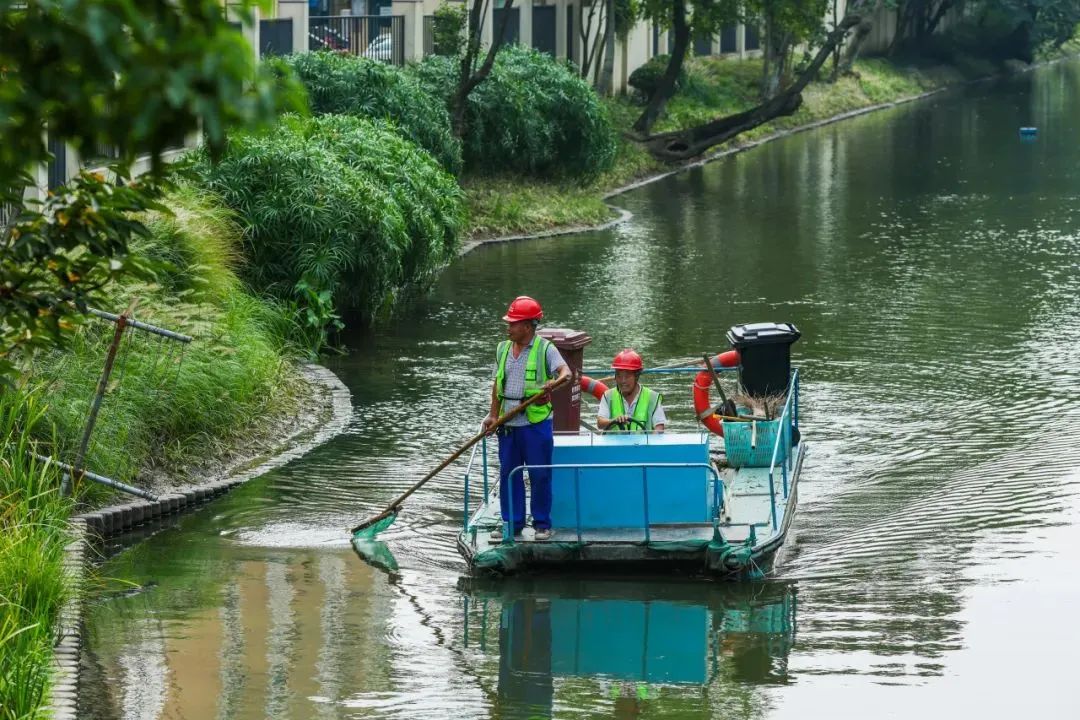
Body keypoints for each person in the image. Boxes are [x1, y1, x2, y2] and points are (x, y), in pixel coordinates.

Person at [482, 296, 571, 542]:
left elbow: (566, 372)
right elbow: (497, 384)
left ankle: (542, 523)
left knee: (539, 475)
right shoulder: (502, 349)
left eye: (513, 323)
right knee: (509, 474)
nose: (508, 327)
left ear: (528, 326)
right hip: (508, 425)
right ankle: (513, 523)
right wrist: (493, 415)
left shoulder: (545, 349)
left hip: (535, 424)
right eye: (509, 323)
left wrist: (555, 381)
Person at [596, 349, 666, 433]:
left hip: (643, 446)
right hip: (614, 446)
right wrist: (614, 421)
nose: (623, 381)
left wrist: (650, 445)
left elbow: (659, 428)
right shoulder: (608, 396)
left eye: (627, 376)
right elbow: (600, 423)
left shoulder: (653, 398)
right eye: (619, 376)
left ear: (637, 376)